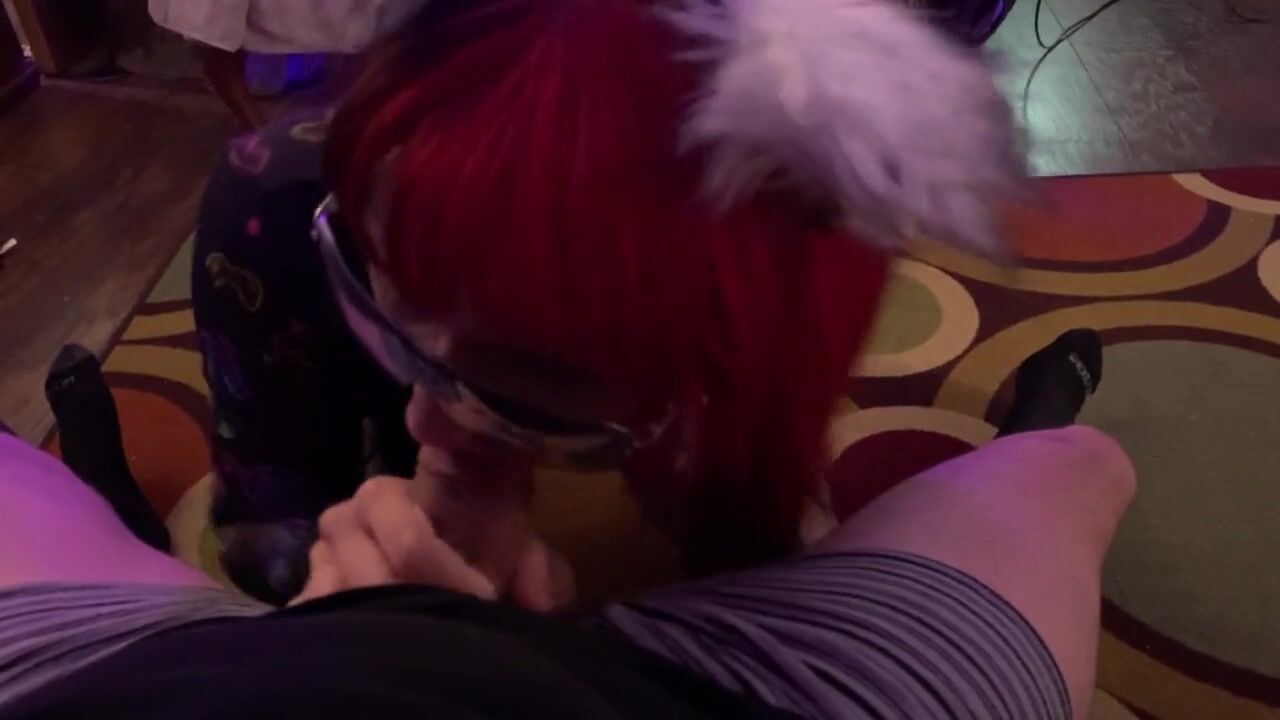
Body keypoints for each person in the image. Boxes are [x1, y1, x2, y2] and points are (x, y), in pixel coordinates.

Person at [192, 0, 1027, 606]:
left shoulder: (786, 245)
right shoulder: (276, 206)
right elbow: (266, 530)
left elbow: (758, 520)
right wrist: (361, 607)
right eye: (391, 286)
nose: (422, 421)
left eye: (537, 368)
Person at [1, 321, 1128, 718]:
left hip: (116, 684)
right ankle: (1040, 423)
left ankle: (112, 506)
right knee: (1075, 469)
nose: (415, 408)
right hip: (719, 700)